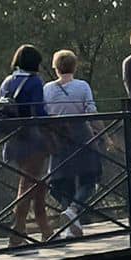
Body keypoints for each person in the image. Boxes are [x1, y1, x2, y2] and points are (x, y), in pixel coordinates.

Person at [0, 45, 51, 247]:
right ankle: (17, 230)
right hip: (33, 139)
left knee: (34, 183)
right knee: (28, 185)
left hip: (13, 140)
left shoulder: (7, 82)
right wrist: (54, 121)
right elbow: (39, 112)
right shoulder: (34, 81)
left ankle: (44, 229)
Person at [41, 50, 99, 239]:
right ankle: (73, 210)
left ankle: (71, 219)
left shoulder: (47, 89)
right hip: (81, 135)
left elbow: (45, 113)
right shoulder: (82, 86)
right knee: (90, 177)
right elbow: (91, 111)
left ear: (56, 68)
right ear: (74, 66)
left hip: (58, 136)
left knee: (60, 181)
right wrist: (103, 134)